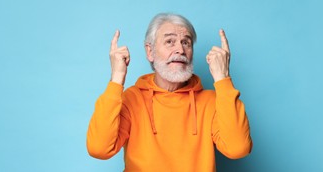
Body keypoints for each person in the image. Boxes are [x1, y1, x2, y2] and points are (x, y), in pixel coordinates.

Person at [87, 13, 252, 171]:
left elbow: (238, 149)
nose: (180, 49)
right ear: (150, 52)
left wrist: (223, 78)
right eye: (170, 42)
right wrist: (117, 78)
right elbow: (99, 149)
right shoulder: (132, 99)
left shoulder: (212, 101)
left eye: (186, 42)